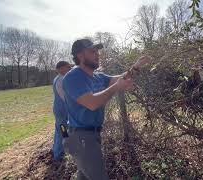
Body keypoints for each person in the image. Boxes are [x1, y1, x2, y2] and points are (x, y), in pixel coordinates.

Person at [62, 38, 151, 180]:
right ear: (80, 55)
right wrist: (117, 87)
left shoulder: (98, 77)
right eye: (92, 51)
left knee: (85, 176)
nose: (97, 54)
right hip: (80, 138)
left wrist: (136, 66)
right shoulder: (73, 77)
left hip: (91, 136)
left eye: (97, 51)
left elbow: (121, 78)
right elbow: (92, 103)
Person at [52, 60, 72, 161]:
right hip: (61, 111)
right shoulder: (61, 80)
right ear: (61, 68)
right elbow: (65, 98)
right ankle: (59, 155)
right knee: (63, 132)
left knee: (58, 131)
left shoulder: (58, 78)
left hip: (59, 110)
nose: (69, 69)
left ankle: (55, 150)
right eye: (67, 67)